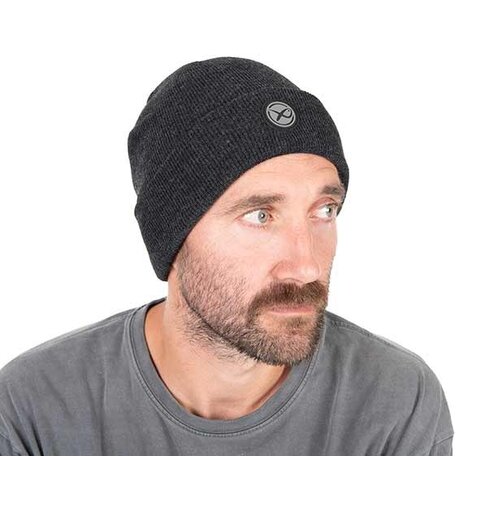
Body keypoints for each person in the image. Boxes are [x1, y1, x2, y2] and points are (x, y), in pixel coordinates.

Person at [0, 57, 453, 456]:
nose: (307, 267)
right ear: (173, 235)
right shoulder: (34, 409)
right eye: (260, 215)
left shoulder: (396, 401)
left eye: (324, 210)